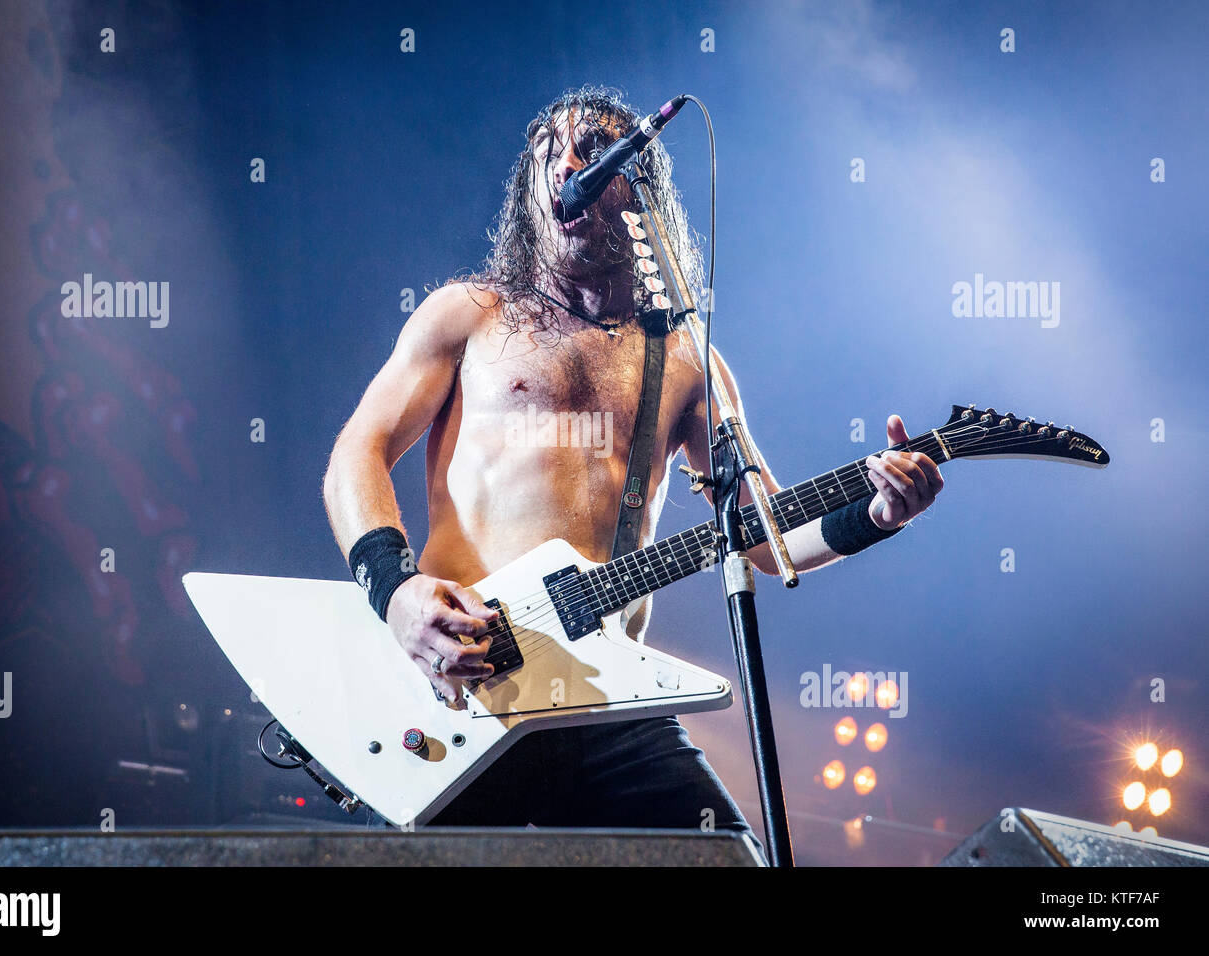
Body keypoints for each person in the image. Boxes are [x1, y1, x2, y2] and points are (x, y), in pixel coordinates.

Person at [322, 86, 943, 840]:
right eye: (548, 152)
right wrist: (396, 593)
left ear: (636, 184)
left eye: (592, 150)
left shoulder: (685, 359)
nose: (568, 165)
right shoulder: (471, 314)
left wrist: (877, 514)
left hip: (609, 698)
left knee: (722, 857)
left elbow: (764, 538)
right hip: (467, 680)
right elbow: (357, 453)